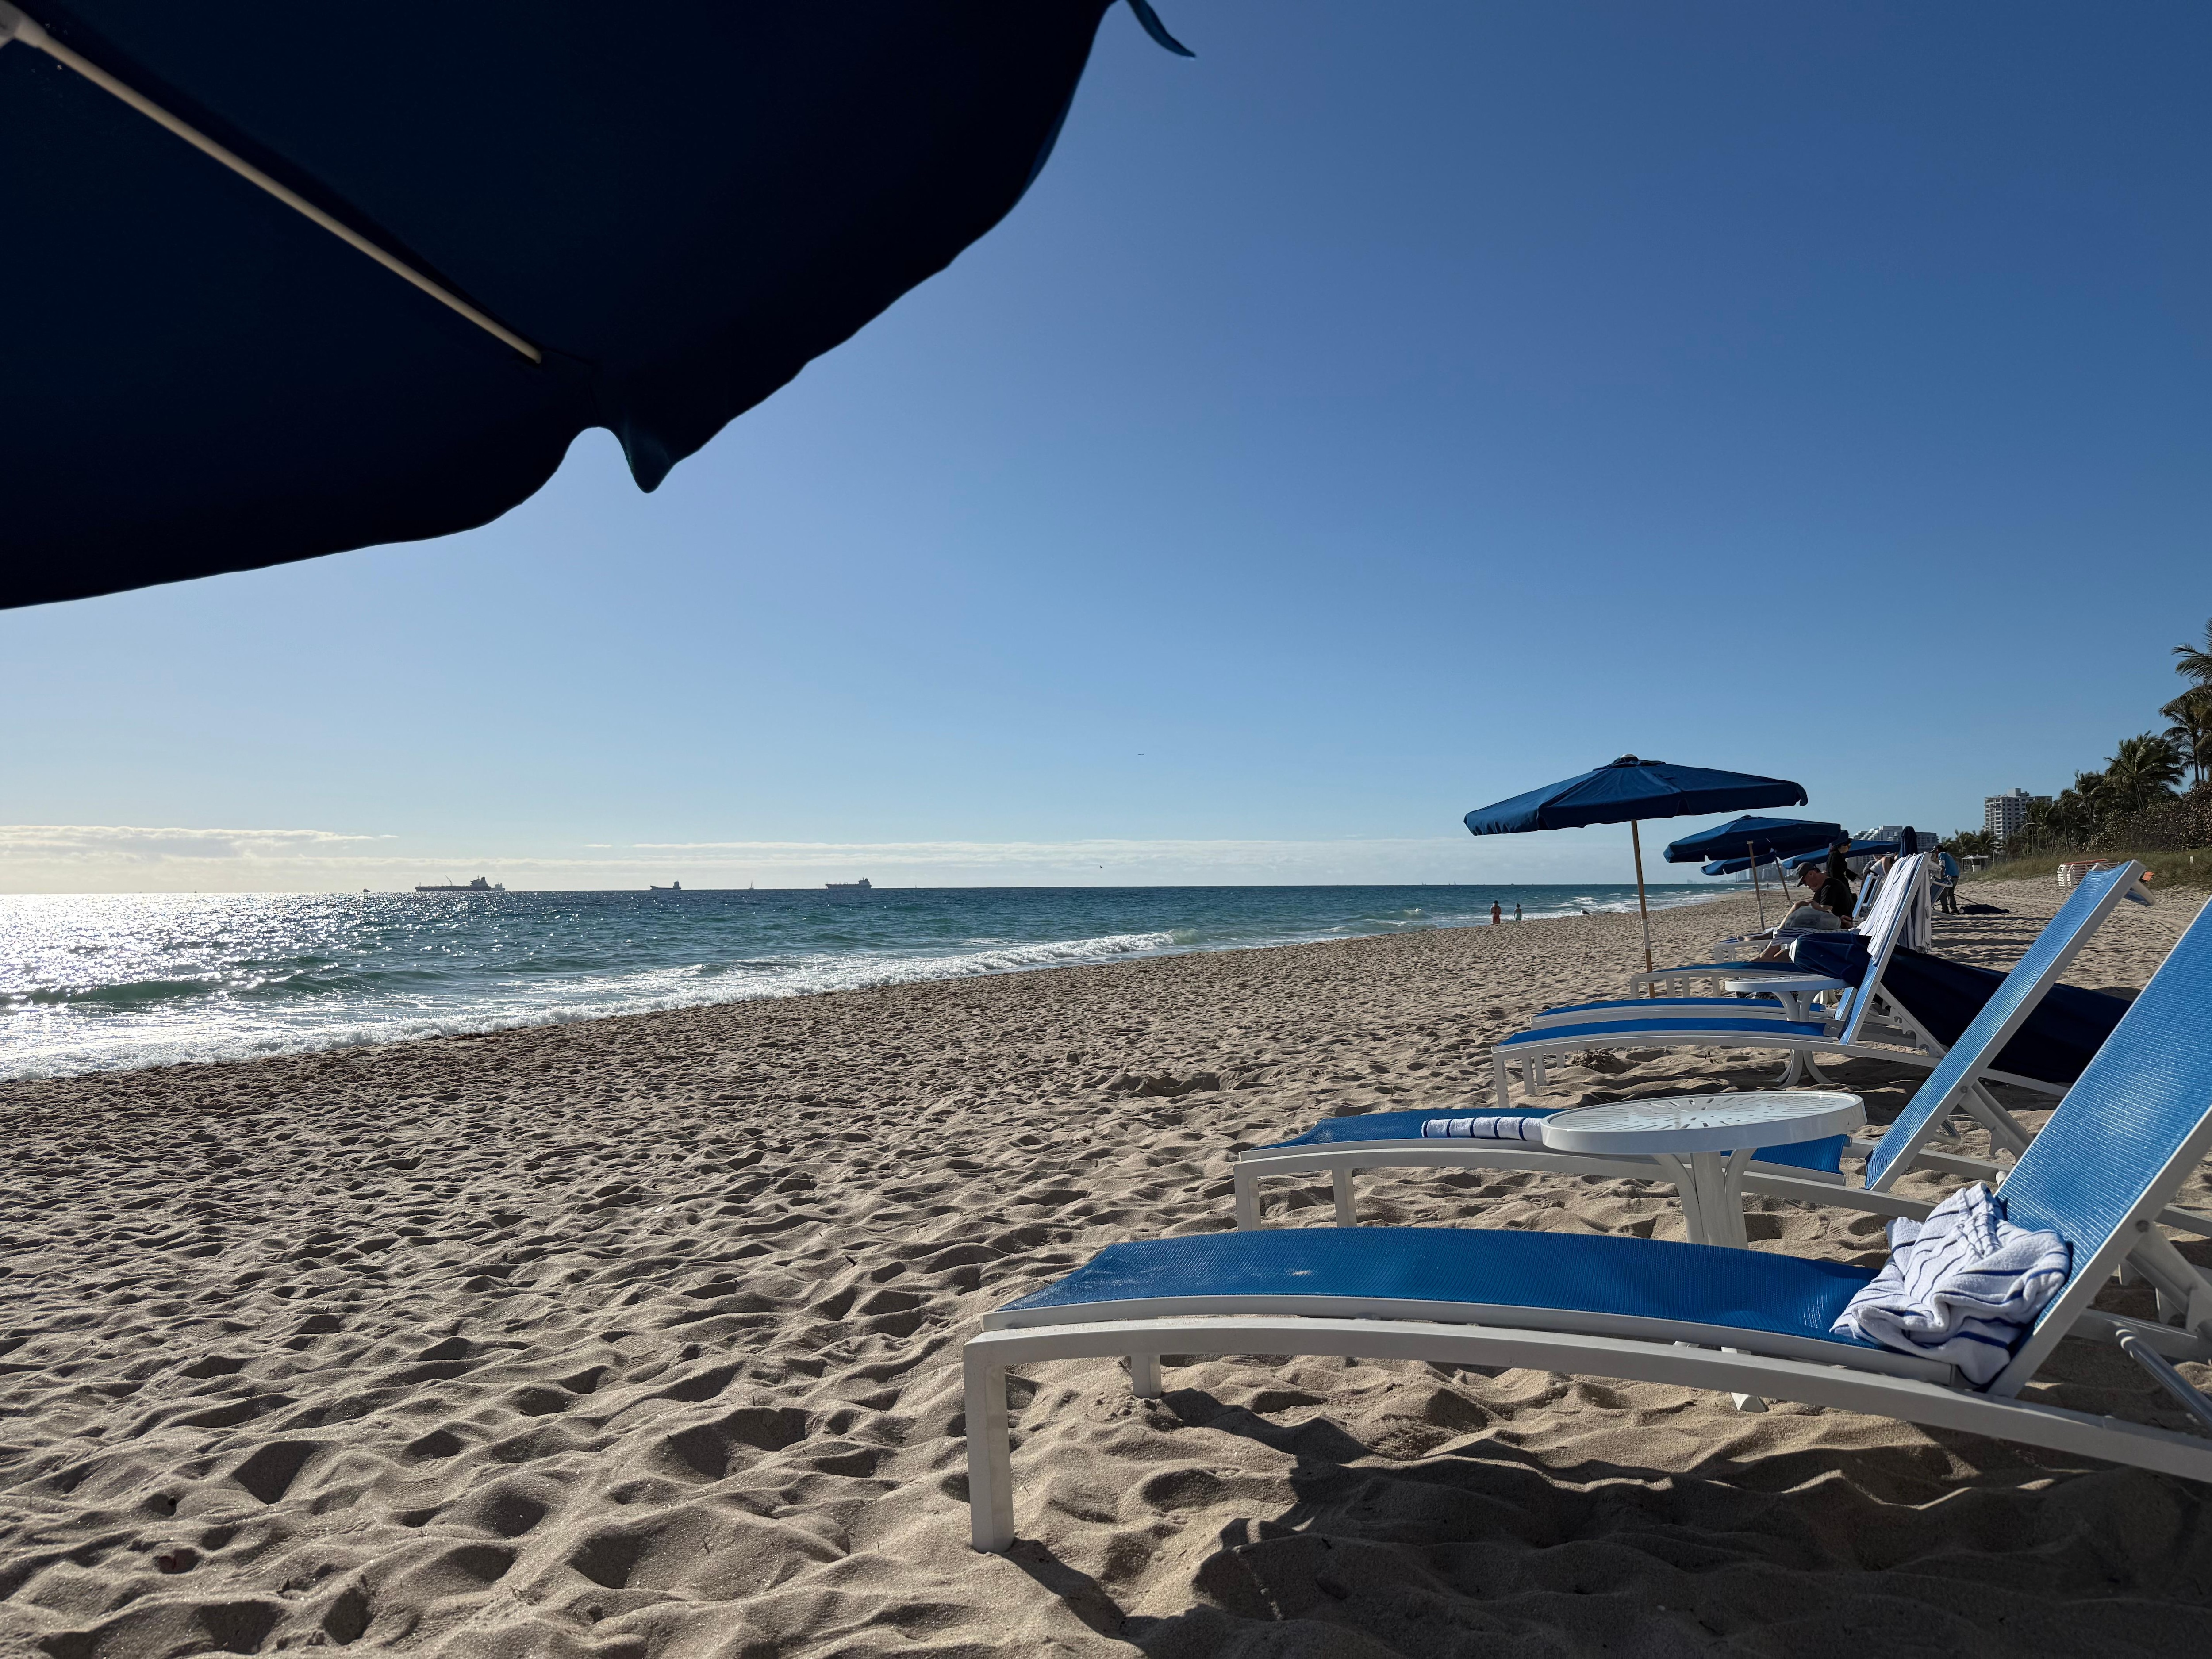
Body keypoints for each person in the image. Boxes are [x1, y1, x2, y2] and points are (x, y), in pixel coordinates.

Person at [1934, 841, 1961, 914]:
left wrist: (1941, 877)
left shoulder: (1941, 854)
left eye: (1935, 852)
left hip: (1949, 876)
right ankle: (1954, 909)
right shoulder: (1948, 855)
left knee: (1943, 893)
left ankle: (1945, 910)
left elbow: (1942, 865)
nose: (1935, 854)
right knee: (1951, 893)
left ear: (1938, 850)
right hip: (1956, 876)